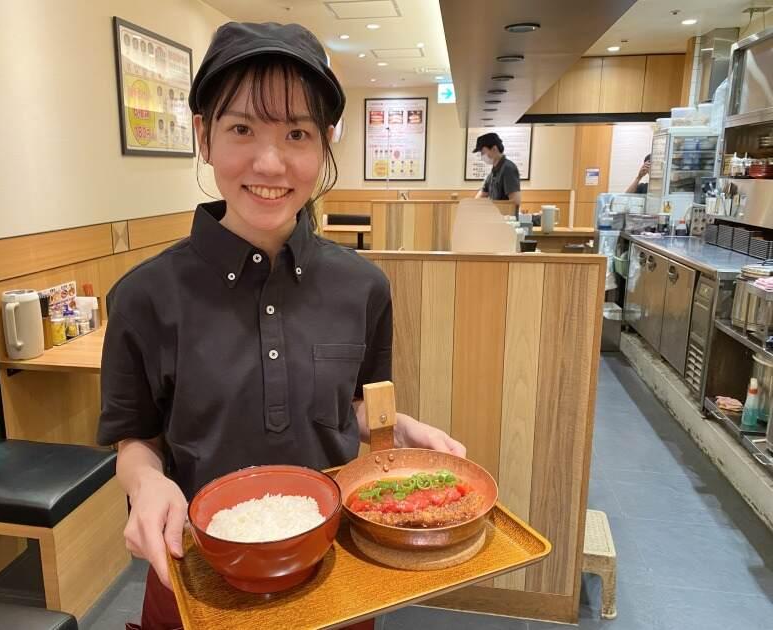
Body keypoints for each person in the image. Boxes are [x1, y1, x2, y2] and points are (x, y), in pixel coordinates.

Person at [97, 21, 466, 630]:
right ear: (203, 137)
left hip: (334, 574)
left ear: (324, 146)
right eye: (242, 128)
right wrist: (144, 484)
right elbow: (135, 439)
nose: (270, 162)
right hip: (197, 576)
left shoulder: (363, 286)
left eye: (297, 132)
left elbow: (349, 408)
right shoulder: (143, 296)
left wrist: (396, 426)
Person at [473, 132, 521, 215]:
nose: (482, 156)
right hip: (495, 218)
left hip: (505, 221)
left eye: (483, 152)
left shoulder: (508, 169)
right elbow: (481, 195)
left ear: (494, 149)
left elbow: (515, 202)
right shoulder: (493, 172)